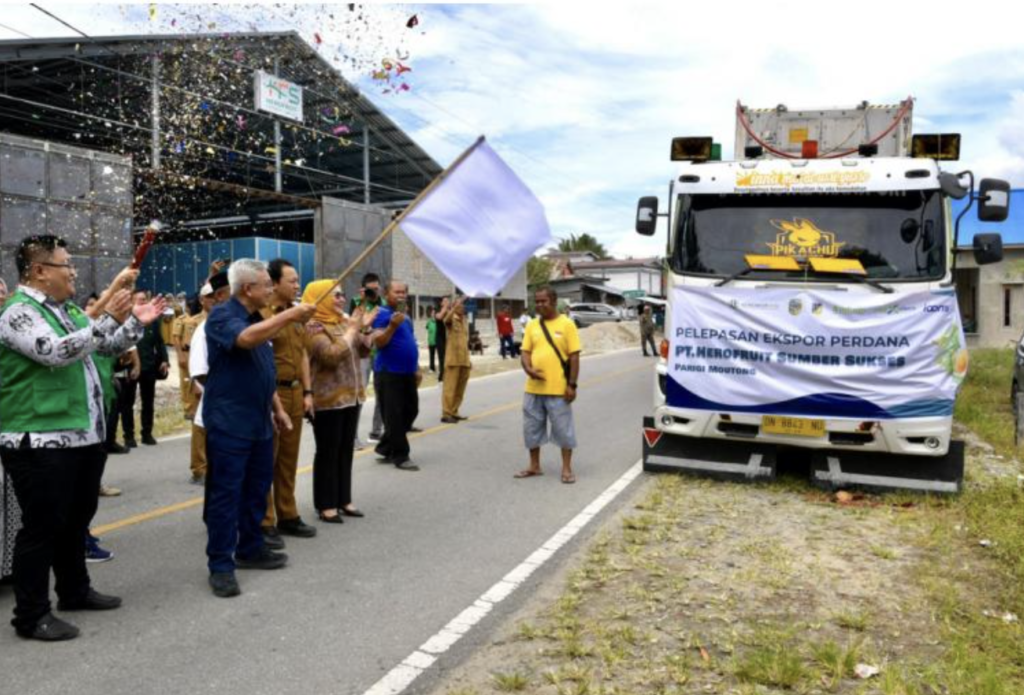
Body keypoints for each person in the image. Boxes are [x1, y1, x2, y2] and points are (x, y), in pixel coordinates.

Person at [0, 234, 164, 641]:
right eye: (65, 264)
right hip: (38, 438)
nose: (73, 270)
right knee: (42, 528)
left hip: (80, 436)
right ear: (39, 271)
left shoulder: (65, 308)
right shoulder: (17, 313)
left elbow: (102, 346)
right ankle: (31, 614)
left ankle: (74, 590)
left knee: (75, 521)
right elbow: (54, 351)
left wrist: (133, 325)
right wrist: (105, 314)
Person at [201, 259, 315, 599]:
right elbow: (246, 341)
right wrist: (290, 316)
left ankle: (250, 548)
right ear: (248, 289)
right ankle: (221, 565)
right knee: (226, 496)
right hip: (229, 424)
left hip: (260, 421)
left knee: (255, 490)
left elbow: (261, 369)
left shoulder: (258, 318)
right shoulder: (223, 316)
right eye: (266, 285)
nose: (271, 289)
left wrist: (277, 408)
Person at [304, 280, 376, 523]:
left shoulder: (344, 322)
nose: (341, 299)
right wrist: (353, 330)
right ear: (320, 297)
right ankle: (325, 504)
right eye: (335, 295)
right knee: (328, 451)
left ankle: (343, 499)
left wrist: (364, 329)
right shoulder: (313, 326)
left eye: (342, 295)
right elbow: (329, 356)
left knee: (345, 451)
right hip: (328, 400)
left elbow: (364, 352)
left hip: (351, 397)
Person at [260, 259, 318, 549]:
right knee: (267, 461)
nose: (297, 285)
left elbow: (304, 355)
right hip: (273, 395)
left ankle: (288, 513)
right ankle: (265, 520)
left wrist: (308, 392)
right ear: (274, 283)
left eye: (298, 280)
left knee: (288, 460)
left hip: (296, 393)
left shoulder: (295, 316)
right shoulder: (263, 315)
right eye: (292, 281)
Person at [515, 286, 581, 485]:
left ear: (553, 301)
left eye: (543, 301)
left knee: (563, 430)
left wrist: (572, 385)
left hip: (559, 390)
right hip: (533, 389)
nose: (539, 305)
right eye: (537, 301)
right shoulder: (532, 325)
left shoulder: (567, 324)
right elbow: (525, 352)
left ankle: (567, 468)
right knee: (531, 429)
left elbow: (574, 356)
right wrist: (528, 368)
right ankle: (534, 466)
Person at [371, 281, 422, 471]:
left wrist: (416, 367)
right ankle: (401, 455)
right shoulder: (380, 314)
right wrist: (392, 326)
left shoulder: (406, 317)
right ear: (386, 293)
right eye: (397, 292)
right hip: (388, 372)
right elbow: (380, 343)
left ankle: (385, 446)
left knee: (411, 410)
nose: (402, 295)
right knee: (394, 416)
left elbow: (411, 342)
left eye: (404, 292)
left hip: (407, 372)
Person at [187, 273, 231, 486]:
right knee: (202, 427)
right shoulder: (204, 328)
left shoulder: (237, 322)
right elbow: (199, 368)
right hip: (215, 395)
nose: (215, 300)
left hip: (229, 400)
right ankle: (200, 468)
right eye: (211, 297)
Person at [122, 290, 169, 447]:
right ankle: (129, 436)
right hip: (130, 367)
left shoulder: (153, 320)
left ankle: (147, 433)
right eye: (139, 300)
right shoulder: (126, 320)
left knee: (148, 402)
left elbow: (160, 342)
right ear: (132, 302)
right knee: (127, 403)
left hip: (149, 366)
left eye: (144, 300)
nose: (142, 302)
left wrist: (164, 360)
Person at [350, 272, 384, 445]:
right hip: (362, 354)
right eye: (371, 290)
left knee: (381, 395)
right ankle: (353, 437)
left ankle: (377, 431)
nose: (375, 293)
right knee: (360, 395)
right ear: (364, 289)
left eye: (377, 289)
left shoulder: (383, 304)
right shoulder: (356, 302)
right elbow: (352, 325)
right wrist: (363, 301)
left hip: (380, 354)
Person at [441, 296, 471, 424]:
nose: (463, 307)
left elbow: (465, 341)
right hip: (453, 359)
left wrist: (469, 360)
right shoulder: (450, 318)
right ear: (455, 306)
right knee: (450, 388)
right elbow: (445, 320)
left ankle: (454, 411)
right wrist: (452, 308)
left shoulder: (464, 320)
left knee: (460, 388)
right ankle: (446, 413)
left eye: (463, 306)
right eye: (460, 305)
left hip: (464, 360)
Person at [434, 297, 449, 382]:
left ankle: (448, 373)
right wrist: (445, 308)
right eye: (445, 301)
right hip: (439, 337)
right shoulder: (437, 310)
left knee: (448, 356)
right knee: (441, 357)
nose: (447, 302)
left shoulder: (448, 311)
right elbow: (439, 317)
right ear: (441, 303)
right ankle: (442, 375)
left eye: (448, 301)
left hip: (447, 337)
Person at [426, 307, 438, 372]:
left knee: (439, 355)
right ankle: (432, 368)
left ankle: (441, 368)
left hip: (438, 341)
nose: (432, 314)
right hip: (431, 341)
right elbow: (427, 331)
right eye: (432, 313)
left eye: (434, 313)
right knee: (431, 356)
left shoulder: (438, 322)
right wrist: (428, 342)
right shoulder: (429, 322)